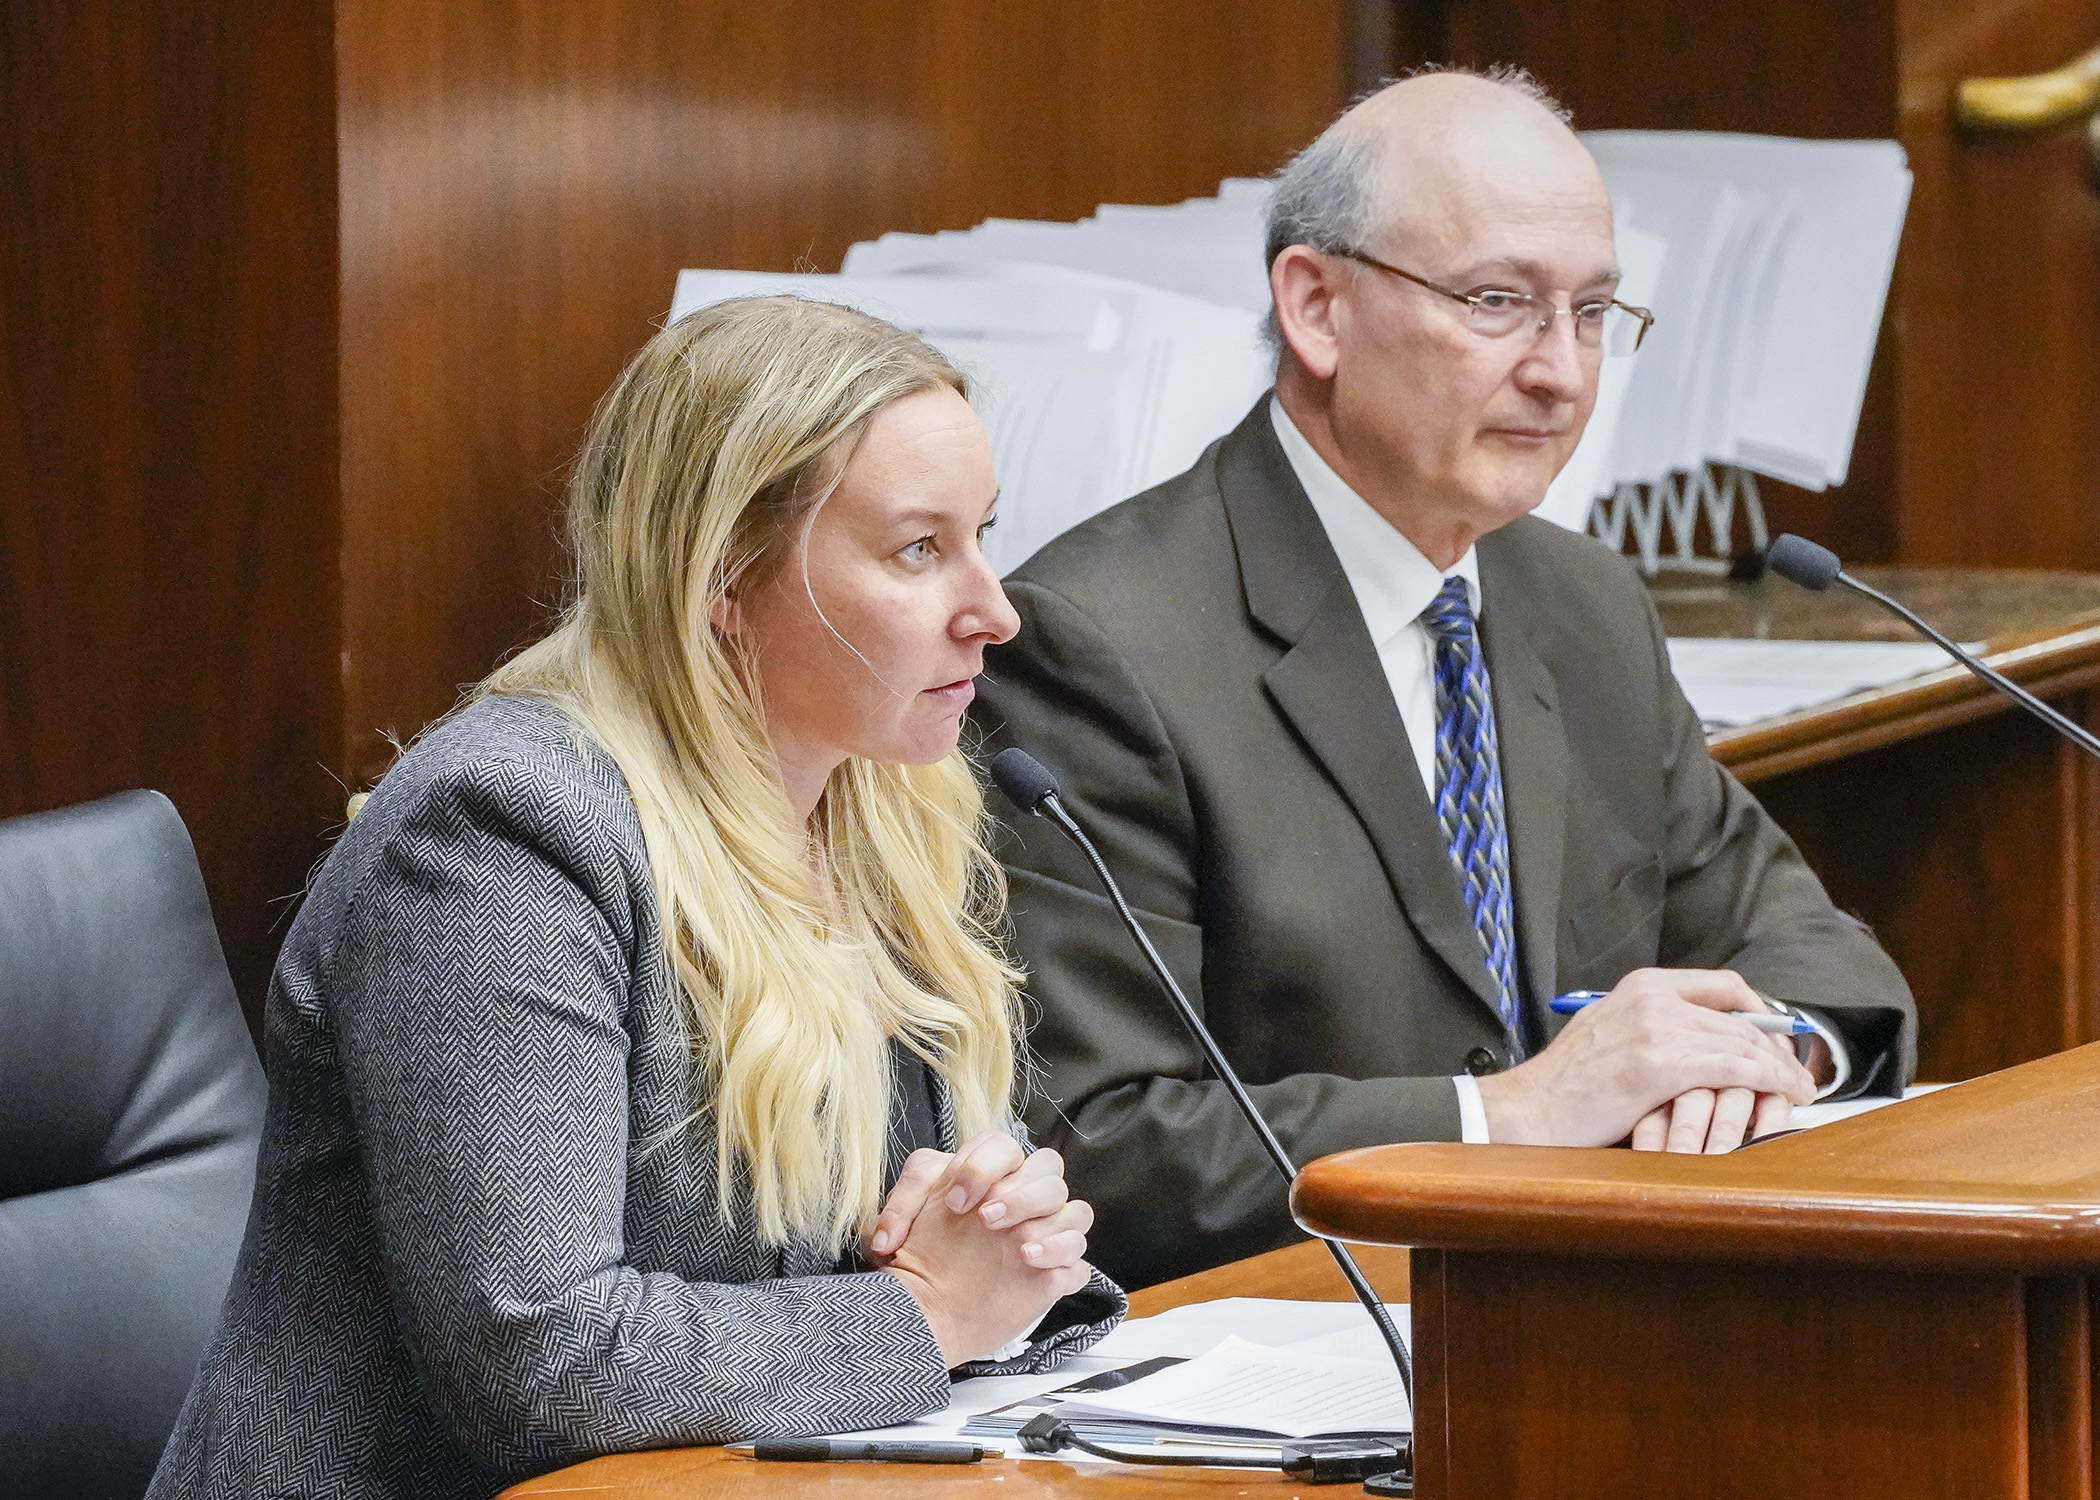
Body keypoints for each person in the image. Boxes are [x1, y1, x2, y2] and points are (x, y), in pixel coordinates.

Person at [149, 296, 1121, 1500]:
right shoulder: (503, 835)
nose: (997, 610)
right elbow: (541, 1359)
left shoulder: (889, 810)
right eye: (919, 550)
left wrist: (1003, 1233)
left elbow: (924, 1267)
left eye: (982, 535)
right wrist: (924, 1311)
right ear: (719, 574)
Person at [974, 67, 1917, 1291]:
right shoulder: (1099, 642)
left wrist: (1754, 1054)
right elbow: (1102, 1143)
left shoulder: (1578, 601)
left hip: (1612, 1296)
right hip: (1299, 1340)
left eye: (1591, 313)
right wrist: (1510, 1116)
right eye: (1497, 303)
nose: (1562, 374)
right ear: (1316, 308)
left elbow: (1813, 952)